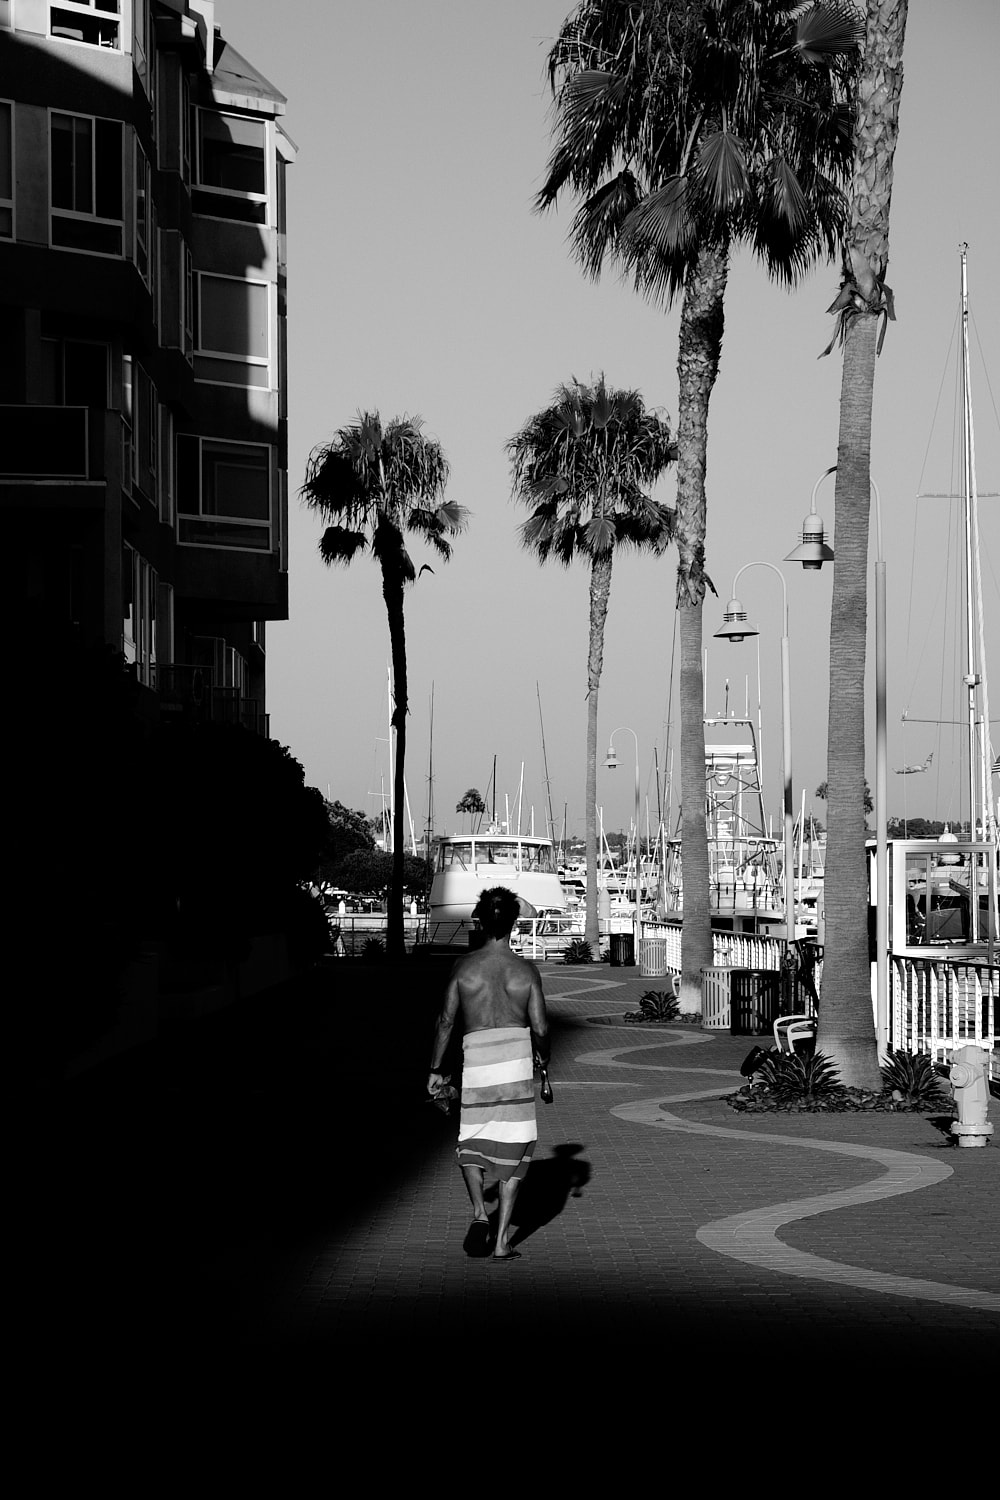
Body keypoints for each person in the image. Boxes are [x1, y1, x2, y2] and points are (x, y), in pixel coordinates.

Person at [427, 885, 550, 1262]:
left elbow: (447, 1021)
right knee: (516, 1146)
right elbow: (541, 1028)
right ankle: (501, 1242)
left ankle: (480, 1212)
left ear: (480, 921)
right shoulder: (525, 971)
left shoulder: (464, 968)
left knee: (474, 1139)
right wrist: (542, 1060)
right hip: (514, 1061)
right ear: (513, 923)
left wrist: (435, 1069)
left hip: (476, 1060)